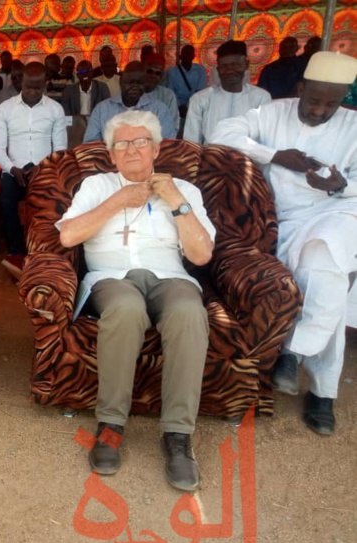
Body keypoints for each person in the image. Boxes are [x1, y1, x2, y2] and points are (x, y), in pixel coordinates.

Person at [57, 110, 216, 491]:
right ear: (111, 155)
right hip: (111, 277)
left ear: (156, 149)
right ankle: (111, 427)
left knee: (189, 312)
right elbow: (67, 237)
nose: (131, 150)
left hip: (169, 276)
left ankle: (177, 435)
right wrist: (117, 201)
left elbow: (201, 255)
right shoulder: (96, 185)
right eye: (121, 144)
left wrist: (176, 200)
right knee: (126, 308)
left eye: (140, 141)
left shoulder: (184, 190)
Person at [211, 51, 357, 436]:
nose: (322, 110)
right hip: (285, 219)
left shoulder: (353, 125)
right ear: (300, 88)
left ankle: (292, 354)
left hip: (339, 213)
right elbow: (221, 134)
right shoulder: (272, 113)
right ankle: (321, 392)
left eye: (332, 102)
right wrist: (275, 155)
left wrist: (342, 186)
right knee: (330, 287)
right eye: (314, 100)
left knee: (324, 262)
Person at [0, 62, 67, 278]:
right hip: (13, 170)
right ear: (20, 83)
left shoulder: (55, 109)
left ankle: (43, 248)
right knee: (6, 201)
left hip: (44, 169)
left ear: (46, 84)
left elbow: (60, 148)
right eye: (28, 87)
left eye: (37, 88)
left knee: (53, 203)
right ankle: (17, 249)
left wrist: (43, 168)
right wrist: (12, 168)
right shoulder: (5, 109)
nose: (32, 92)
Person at [184, 41, 271, 145]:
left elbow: (266, 139)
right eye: (224, 66)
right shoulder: (200, 99)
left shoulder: (261, 98)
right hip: (210, 158)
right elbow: (191, 142)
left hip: (249, 159)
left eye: (235, 65)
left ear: (246, 65)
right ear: (218, 69)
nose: (229, 71)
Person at [84, 62, 177, 142]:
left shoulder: (159, 110)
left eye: (139, 83)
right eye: (130, 82)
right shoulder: (101, 110)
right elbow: (91, 146)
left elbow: (167, 145)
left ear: (145, 84)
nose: (134, 87)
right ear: (121, 82)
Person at [61, 59, 111, 146]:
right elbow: (66, 115)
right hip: (76, 128)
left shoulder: (102, 88)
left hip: (96, 126)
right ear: (77, 74)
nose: (85, 74)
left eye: (87, 71)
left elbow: (107, 111)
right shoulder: (68, 91)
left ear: (92, 72)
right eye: (81, 71)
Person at [165, 44, 207, 117]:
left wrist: (188, 106)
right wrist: (178, 107)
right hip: (177, 106)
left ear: (194, 56)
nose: (187, 56)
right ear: (180, 56)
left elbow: (200, 92)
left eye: (190, 54)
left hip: (195, 105)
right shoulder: (172, 71)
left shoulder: (200, 70)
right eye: (186, 53)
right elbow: (170, 92)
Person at [142, 53, 179, 125]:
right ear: (143, 71)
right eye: (150, 71)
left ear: (161, 76)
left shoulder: (168, 95)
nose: (153, 76)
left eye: (157, 73)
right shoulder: (133, 93)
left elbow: (172, 123)